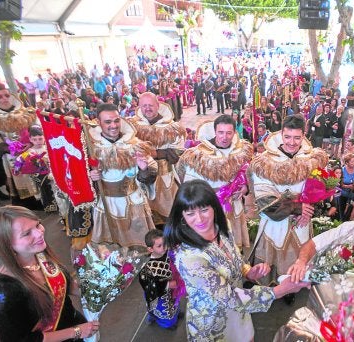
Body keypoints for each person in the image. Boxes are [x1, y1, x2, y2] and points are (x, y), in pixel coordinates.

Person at [164, 180, 309, 341]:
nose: (199, 219)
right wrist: (281, 290)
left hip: (239, 311)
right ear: (182, 216)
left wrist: (247, 271)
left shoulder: (222, 226)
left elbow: (235, 257)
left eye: (204, 210)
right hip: (212, 321)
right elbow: (230, 298)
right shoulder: (189, 258)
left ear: (214, 207)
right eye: (190, 214)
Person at [0, 205, 99, 341]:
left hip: (77, 326)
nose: (39, 233)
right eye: (27, 233)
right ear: (6, 244)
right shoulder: (4, 290)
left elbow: (64, 285)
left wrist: (99, 290)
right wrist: (77, 331)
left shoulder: (38, 253)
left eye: (38, 225)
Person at [248, 114, 328, 289]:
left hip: (303, 223)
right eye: (288, 137)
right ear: (281, 134)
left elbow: (320, 188)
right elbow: (265, 202)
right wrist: (299, 207)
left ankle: (294, 286)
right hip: (275, 225)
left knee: (300, 256)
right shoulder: (265, 163)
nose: (292, 142)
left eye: (297, 138)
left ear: (304, 135)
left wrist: (309, 209)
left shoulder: (312, 159)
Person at [177, 115, 253, 248]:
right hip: (209, 206)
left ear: (234, 133)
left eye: (229, 133)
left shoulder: (240, 151)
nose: (225, 137)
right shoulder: (199, 156)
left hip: (234, 204)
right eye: (221, 132)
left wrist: (245, 187)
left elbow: (247, 173)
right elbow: (190, 188)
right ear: (215, 131)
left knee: (234, 244)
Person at [88, 103, 157, 247]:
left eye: (116, 120)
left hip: (134, 203)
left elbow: (150, 176)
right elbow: (78, 177)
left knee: (140, 246)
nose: (113, 125)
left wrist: (144, 169)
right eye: (108, 122)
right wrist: (90, 177)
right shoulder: (91, 147)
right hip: (108, 204)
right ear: (98, 123)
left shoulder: (134, 144)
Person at [130, 92, 185, 226]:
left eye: (150, 105)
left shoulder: (172, 128)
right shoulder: (132, 126)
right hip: (141, 176)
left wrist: (154, 153)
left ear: (158, 105)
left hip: (165, 176)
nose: (147, 109)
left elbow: (178, 151)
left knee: (168, 211)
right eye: (144, 106)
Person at [0, 83, 40, 205]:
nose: (4, 99)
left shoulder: (23, 111)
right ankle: (27, 203)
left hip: (31, 150)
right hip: (10, 155)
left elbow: (35, 127)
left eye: (6, 95)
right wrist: (10, 148)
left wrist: (32, 142)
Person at [138, 230, 181, 330]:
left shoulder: (167, 254)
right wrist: (168, 284)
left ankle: (173, 314)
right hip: (159, 297)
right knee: (164, 311)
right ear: (150, 249)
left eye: (165, 243)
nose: (164, 247)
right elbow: (148, 285)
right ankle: (166, 323)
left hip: (171, 292)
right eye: (159, 246)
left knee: (174, 304)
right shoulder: (147, 267)